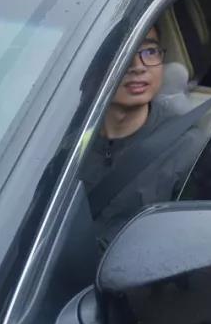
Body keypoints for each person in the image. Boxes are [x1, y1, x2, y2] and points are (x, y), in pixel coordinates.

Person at [80, 24, 202, 246]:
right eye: (122, 54)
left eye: (149, 51)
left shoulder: (187, 147)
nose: (138, 67)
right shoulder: (68, 144)